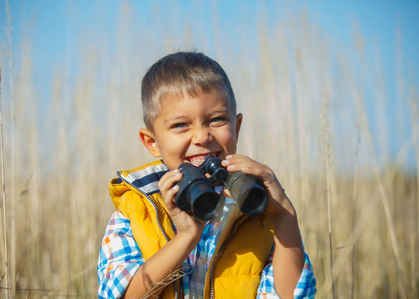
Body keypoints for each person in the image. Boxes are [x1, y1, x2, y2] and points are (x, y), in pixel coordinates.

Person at [97, 51, 316, 299]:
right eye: (180, 125)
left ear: (237, 127)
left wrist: (283, 214)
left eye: (217, 120)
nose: (202, 137)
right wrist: (186, 237)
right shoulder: (136, 211)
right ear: (152, 142)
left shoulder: (257, 211)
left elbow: (290, 296)